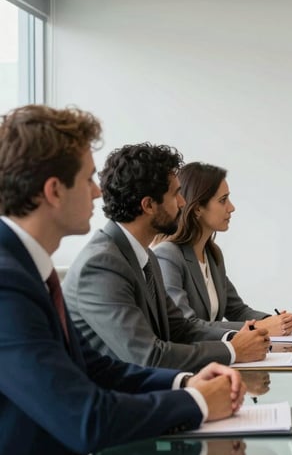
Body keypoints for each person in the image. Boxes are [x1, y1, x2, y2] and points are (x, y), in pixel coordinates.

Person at [0, 104, 246, 455]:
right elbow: (87, 419)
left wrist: (184, 382)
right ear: (53, 190)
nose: (99, 191)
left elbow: (95, 368)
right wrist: (198, 402)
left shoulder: (28, 267)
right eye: (88, 178)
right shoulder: (7, 281)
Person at [63, 143, 270, 372]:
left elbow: (179, 328)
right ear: (149, 205)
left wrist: (238, 338)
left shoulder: (145, 256)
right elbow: (148, 356)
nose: (183, 203)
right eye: (175, 194)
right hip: (117, 398)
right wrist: (233, 351)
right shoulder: (101, 265)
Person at [152, 162, 292, 335]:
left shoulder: (212, 254)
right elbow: (185, 324)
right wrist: (261, 328)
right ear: (197, 208)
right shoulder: (167, 255)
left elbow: (237, 310)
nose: (231, 207)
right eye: (223, 200)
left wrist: (274, 321)